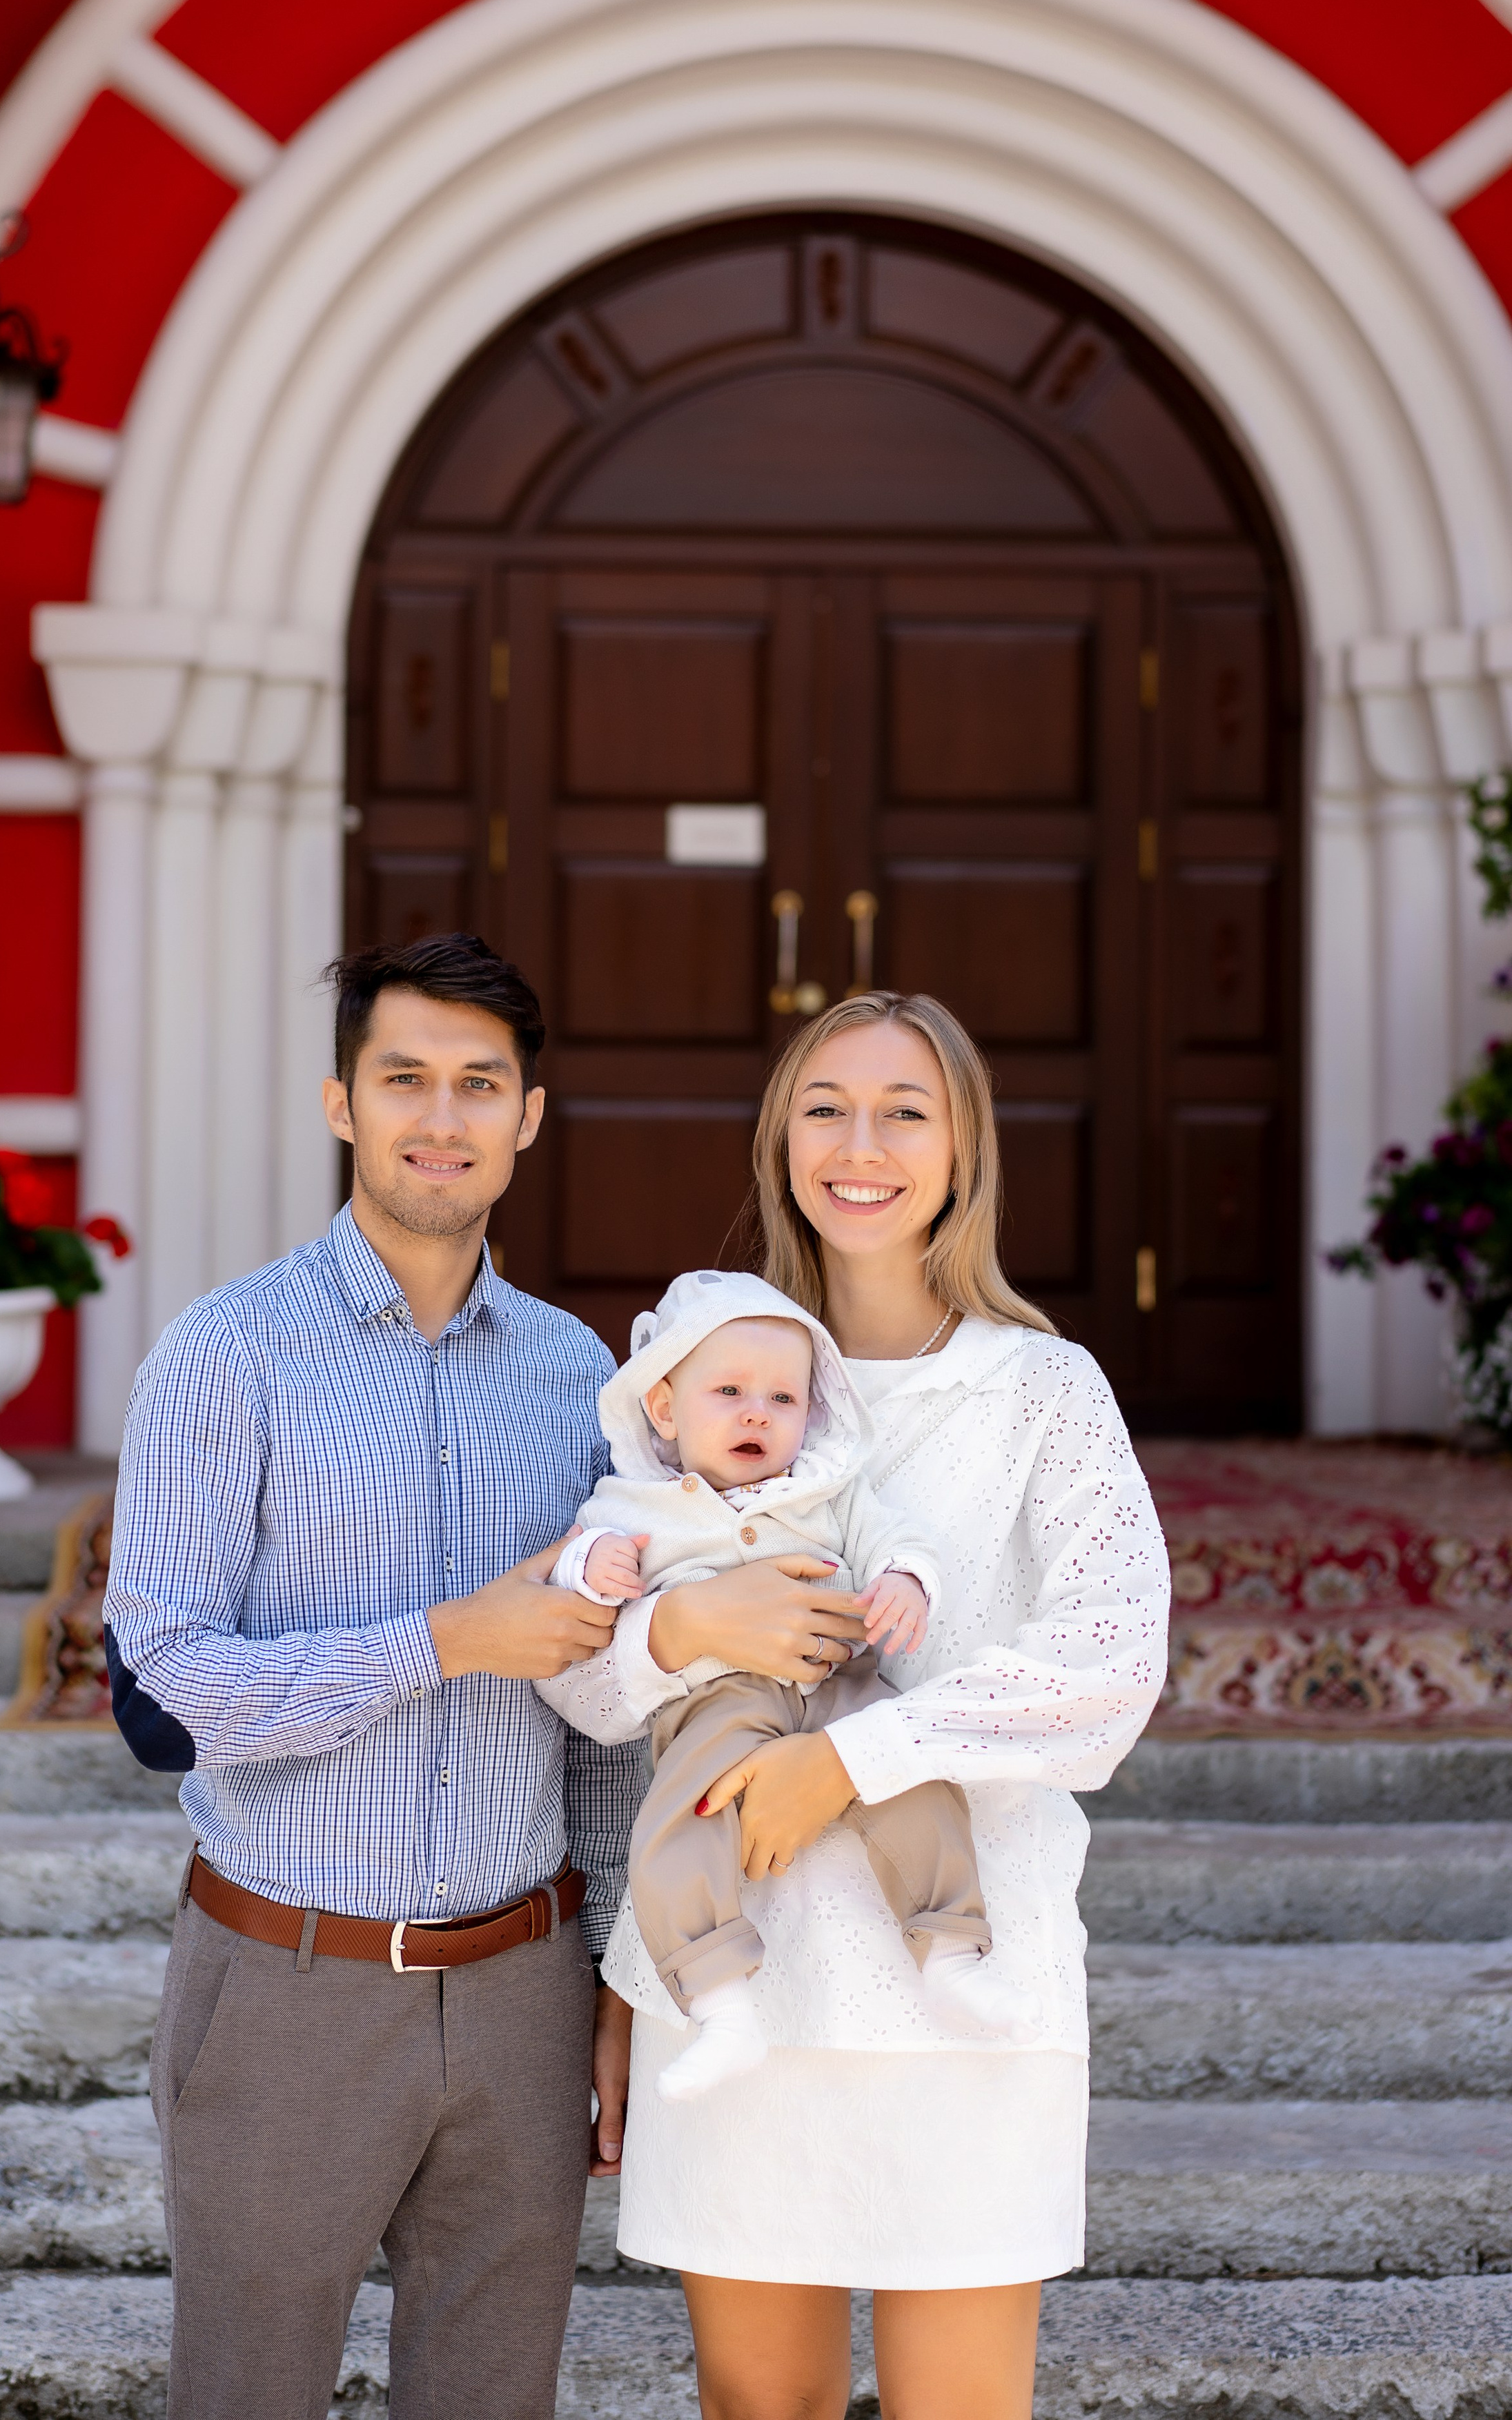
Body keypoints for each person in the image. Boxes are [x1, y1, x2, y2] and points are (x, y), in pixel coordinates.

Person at [540, 990, 1172, 2420]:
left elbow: (1111, 1659)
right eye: (822, 1107)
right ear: (778, 1146)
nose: (859, 1144)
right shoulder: (695, 1389)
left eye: (905, 1110)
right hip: (737, 1995)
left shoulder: (1039, 1392)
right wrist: (678, 1628)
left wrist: (852, 1762)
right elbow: (580, 1692)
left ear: (962, 1151)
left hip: (967, 1996)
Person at [102, 932, 643, 2420]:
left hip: (526, 1988)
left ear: (528, 1115)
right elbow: (174, 1677)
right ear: (340, 1101)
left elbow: (606, 1716)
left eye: (480, 1085)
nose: (441, 1117)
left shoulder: (577, 1376)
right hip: (289, 1984)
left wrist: (615, 1980)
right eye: (403, 1077)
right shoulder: (223, 1357)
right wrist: (444, 1644)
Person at [547, 1267, 1039, 2102]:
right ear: (665, 1408)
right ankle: (719, 1998)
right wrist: (592, 1567)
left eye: (782, 1399)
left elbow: (895, 1535)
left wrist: (904, 1581)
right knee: (680, 1819)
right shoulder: (633, 1501)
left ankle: (952, 1946)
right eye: (729, 1391)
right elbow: (573, 1576)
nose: (755, 1413)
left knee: (912, 1779)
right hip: (720, 1702)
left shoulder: (828, 1489)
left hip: (842, 1682)